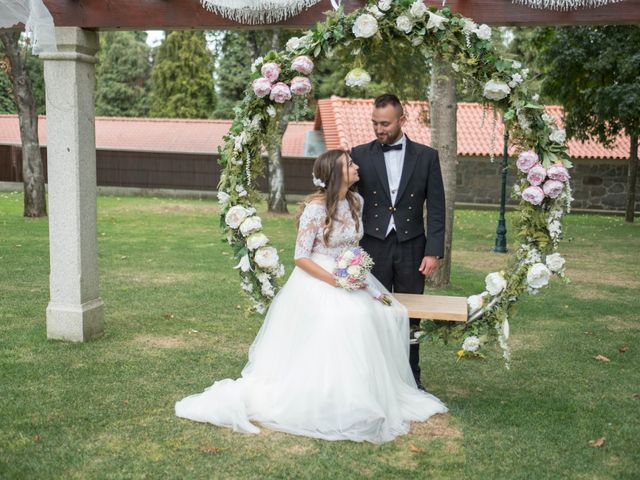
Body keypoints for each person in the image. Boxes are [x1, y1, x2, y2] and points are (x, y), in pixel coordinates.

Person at [175, 149, 447, 444]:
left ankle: (368, 393)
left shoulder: (357, 201)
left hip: (352, 274)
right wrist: (336, 280)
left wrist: (356, 274)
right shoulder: (315, 209)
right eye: (350, 164)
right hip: (320, 276)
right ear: (336, 173)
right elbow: (301, 257)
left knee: (381, 312)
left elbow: (354, 244)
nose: (357, 167)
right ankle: (333, 397)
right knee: (346, 319)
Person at [351, 94, 446, 391]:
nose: (379, 129)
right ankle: (373, 377)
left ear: (401, 120)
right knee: (372, 311)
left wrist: (433, 251)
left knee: (409, 314)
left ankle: (411, 377)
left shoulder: (427, 156)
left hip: (412, 246)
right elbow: (347, 200)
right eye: (375, 123)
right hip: (372, 245)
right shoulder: (359, 154)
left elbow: (438, 206)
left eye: (385, 124)